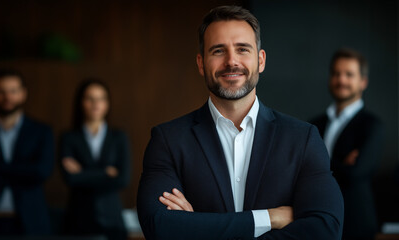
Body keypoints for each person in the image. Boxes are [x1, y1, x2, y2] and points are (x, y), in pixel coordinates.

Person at [137, 5, 344, 240]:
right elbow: (160, 227)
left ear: (261, 60)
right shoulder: (168, 141)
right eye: (217, 51)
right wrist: (268, 218)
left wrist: (196, 226)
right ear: (200, 63)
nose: (231, 61)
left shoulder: (303, 138)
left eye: (242, 49)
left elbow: (325, 230)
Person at [311, 49, 384, 240]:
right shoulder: (314, 124)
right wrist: (340, 163)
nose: (341, 80)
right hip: (316, 221)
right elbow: (301, 170)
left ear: (363, 82)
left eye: (349, 74)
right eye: (336, 73)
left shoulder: (372, 126)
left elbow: (355, 173)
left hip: (356, 224)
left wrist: (318, 160)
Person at [0, 69, 54, 235]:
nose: (7, 97)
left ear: (23, 94)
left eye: (13, 91)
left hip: (31, 222)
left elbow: (41, 171)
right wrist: (23, 171)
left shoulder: (41, 131)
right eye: (1, 91)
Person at [60, 79, 131, 240]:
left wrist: (83, 173)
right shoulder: (69, 138)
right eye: (89, 98)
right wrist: (105, 172)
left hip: (112, 219)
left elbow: (123, 180)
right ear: (80, 102)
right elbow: (70, 179)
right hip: (78, 219)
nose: (95, 103)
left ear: (107, 103)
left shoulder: (118, 137)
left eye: (101, 98)